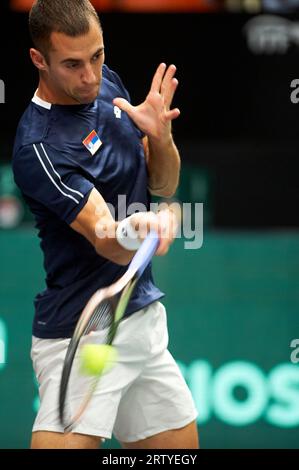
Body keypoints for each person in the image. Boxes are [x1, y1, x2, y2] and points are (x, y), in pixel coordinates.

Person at [12, 0, 199, 449]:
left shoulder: (105, 86)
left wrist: (160, 135)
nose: (90, 76)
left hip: (141, 320)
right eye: (72, 64)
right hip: (83, 334)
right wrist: (147, 228)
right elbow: (107, 241)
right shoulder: (40, 149)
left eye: (97, 56)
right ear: (40, 59)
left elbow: (164, 181)